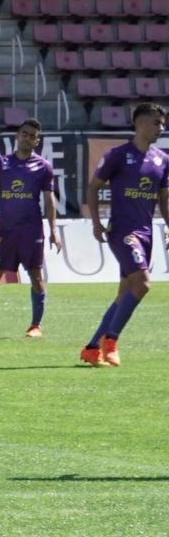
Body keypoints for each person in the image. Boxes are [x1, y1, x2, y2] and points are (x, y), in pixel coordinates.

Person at [80, 102, 169, 368]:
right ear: (140, 123)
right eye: (156, 123)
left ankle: (92, 348)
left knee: (124, 294)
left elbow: (164, 199)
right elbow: (94, 188)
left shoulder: (163, 160)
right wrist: (96, 223)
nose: (160, 128)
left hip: (146, 232)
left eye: (162, 124)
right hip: (122, 231)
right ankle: (112, 342)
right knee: (142, 284)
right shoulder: (118, 155)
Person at [0, 118, 60, 341]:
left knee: (36, 276)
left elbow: (49, 201)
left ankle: (36, 325)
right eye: (24, 133)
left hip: (31, 231)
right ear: (17, 136)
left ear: (37, 141)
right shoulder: (2, 163)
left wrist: (54, 229)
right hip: (6, 232)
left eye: (32, 136)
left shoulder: (43, 167)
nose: (28, 138)